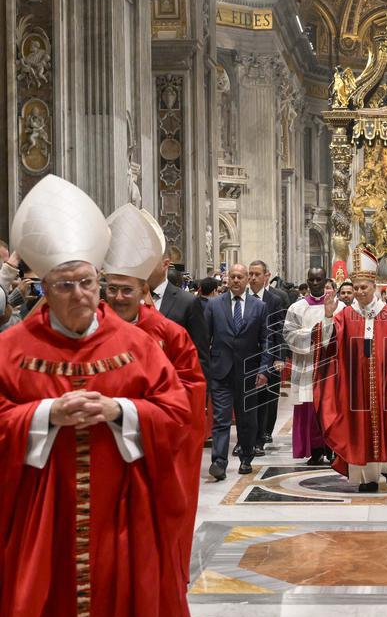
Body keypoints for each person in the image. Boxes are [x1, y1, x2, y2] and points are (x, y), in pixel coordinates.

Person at [0, 175, 194, 617]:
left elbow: (177, 413)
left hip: (118, 520)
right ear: (43, 287)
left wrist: (120, 412)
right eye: (65, 285)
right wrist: (43, 416)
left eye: (88, 282)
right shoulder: (11, 349)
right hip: (42, 527)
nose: (80, 295)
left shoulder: (135, 345)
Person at [102, 203, 206, 590]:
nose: (117, 297)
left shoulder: (168, 333)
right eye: (111, 289)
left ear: (143, 290)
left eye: (126, 289)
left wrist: (141, 412)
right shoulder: (89, 330)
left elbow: (191, 389)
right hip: (101, 447)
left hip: (153, 446)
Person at [313, 246, 387, 493]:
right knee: (359, 430)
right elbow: (327, 345)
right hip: (356, 388)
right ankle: (366, 478)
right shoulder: (346, 315)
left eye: (364, 287)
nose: (360, 292)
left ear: (374, 287)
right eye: (356, 288)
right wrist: (328, 318)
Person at [205, 263, 271, 480]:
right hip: (221, 372)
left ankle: (246, 457)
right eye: (232, 276)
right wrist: (206, 369)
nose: (235, 280)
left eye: (240, 277)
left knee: (247, 420)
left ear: (246, 280)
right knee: (221, 419)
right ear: (227, 279)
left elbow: (266, 340)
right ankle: (219, 462)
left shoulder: (259, 306)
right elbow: (205, 339)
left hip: (249, 373)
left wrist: (264, 369)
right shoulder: (214, 305)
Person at [283, 267, 344, 465]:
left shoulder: (340, 307)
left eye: (319, 279)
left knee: (331, 407)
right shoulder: (296, 308)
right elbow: (288, 334)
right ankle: (315, 449)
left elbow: (344, 333)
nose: (315, 283)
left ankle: (333, 447)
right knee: (309, 409)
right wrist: (313, 334)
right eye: (312, 279)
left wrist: (326, 330)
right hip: (306, 365)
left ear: (325, 280)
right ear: (307, 281)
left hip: (331, 366)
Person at [147, 237, 209, 379]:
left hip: (175, 383)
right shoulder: (133, 299)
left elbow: (200, 356)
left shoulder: (188, 302)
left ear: (165, 264)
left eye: (149, 262)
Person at [247, 259, 287, 451]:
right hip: (247, 356)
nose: (253, 278)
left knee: (266, 398)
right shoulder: (242, 297)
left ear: (266, 277)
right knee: (246, 400)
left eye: (257, 274)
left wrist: (280, 357)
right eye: (251, 274)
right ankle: (245, 439)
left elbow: (279, 330)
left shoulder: (275, 300)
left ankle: (261, 437)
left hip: (269, 356)